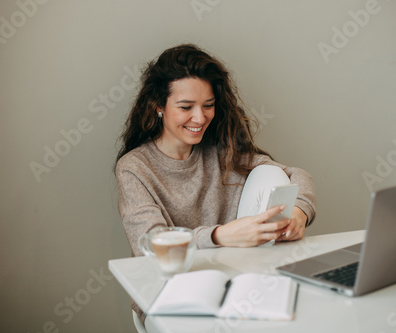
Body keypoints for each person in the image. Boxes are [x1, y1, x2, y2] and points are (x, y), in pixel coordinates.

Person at [115, 43, 317, 323]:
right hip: (171, 292)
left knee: (273, 176)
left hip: (235, 283)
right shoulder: (135, 167)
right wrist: (220, 236)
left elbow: (297, 175)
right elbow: (151, 244)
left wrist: (299, 213)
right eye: (186, 107)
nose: (200, 118)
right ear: (158, 106)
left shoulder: (222, 151)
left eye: (208, 105)